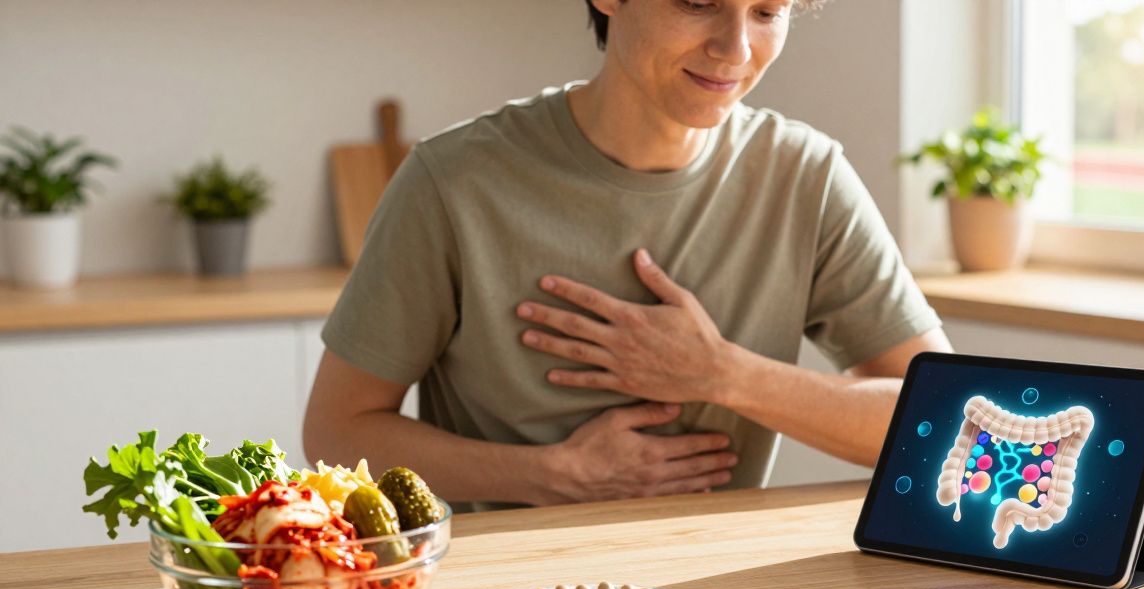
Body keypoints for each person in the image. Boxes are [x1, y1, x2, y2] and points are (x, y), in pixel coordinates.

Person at [304, 0, 953, 512]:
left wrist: (720, 373)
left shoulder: (805, 178)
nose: (736, 49)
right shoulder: (452, 182)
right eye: (698, 2)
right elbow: (337, 431)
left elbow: (945, 419)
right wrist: (549, 475)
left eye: (767, 11)